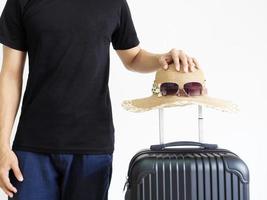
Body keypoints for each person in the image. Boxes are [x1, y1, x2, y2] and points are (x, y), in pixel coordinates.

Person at [0, 0, 200, 199]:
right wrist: (1, 146)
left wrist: (162, 59)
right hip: (32, 146)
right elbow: (10, 73)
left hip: (92, 145)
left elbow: (133, 56)